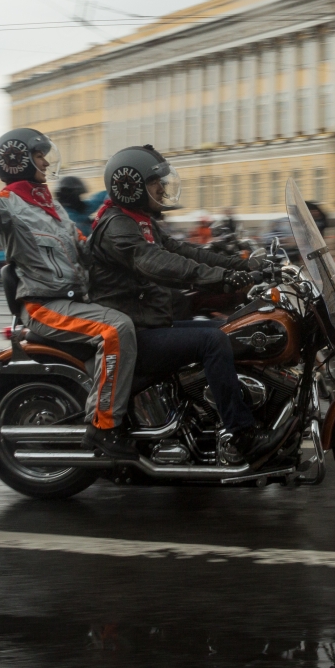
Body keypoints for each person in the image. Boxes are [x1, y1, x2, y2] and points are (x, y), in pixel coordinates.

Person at [0, 114, 138, 456]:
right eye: (39, 156)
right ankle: (104, 428)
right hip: (46, 306)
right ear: (19, 161)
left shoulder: (52, 206)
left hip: (76, 301)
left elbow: (85, 250)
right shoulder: (9, 205)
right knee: (116, 331)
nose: (45, 161)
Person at [88, 144, 274, 465]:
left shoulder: (139, 221)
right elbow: (160, 263)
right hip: (135, 332)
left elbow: (187, 252)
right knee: (213, 340)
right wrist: (224, 279)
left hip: (151, 322)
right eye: (153, 183)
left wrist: (243, 266)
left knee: (233, 328)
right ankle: (242, 433)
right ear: (130, 187)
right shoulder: (118, 227)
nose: (161, 188)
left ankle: (233, 411)